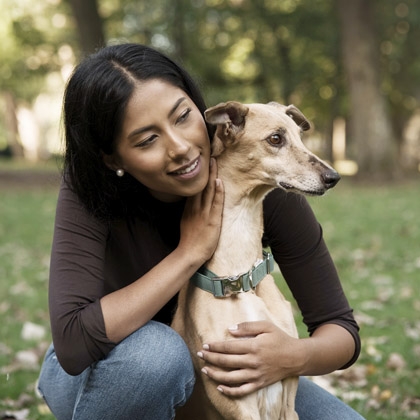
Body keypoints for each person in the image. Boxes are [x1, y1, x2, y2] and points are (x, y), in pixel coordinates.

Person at [37, 43, 364, 420]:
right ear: (112, 158)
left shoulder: (260, 175)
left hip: (220, 366)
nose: (181, 147)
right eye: (147, 140)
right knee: (159, 356)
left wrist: (291, 356)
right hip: (115, 370)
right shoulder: (89, 191)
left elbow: (339, 327)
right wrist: (189, 252)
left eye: (182, 117)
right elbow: (74, 343)